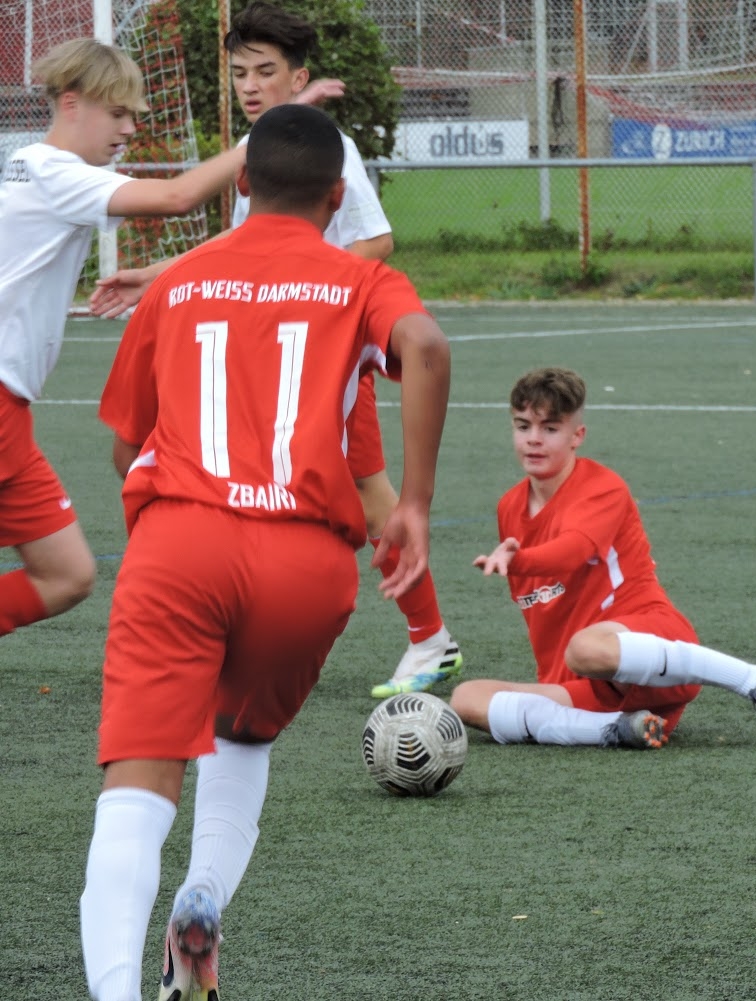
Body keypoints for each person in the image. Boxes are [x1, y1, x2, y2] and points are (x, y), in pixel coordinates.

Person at [81, 103, 451, 1001]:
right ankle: (205, 893)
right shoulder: (359, 279)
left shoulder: (180, 281)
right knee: (240, 735)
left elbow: (127, 444)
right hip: (305, 560)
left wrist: (166, 536)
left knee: (137, 784)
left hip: (181, 540)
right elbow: (427, 347)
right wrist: (413, 504)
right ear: (338, 196)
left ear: (242, 184)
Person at [90, 1, 461, 699]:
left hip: (320, 355)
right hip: (273, 347)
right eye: (240, 73)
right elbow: (242, 250)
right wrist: (159, 274)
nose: (251, 85)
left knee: (367, 497)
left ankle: (428, 636)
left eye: (265, 72)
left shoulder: (324, 147)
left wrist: (312, 297)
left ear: (299, 78)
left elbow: (377, 240)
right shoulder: (260, 149)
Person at [0, 38, 246, 644]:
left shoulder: (36, 167)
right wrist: (257, 143)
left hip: (11, 412)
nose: (130, 129)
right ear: (71, 104)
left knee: (67, 576)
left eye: (133, 116)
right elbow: (176, 197)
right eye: (118, 113)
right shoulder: (54, 172)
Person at [451, 367, 756, 749]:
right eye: (523, 426)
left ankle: (754, 680)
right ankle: (615, 729)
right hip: (584, 684)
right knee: (467, 698)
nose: (534, 439)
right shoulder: (509, 506)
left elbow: (573, 550)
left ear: (577, 436)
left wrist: (520, 560)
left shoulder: (601, 487)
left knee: (585, 648)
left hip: (652, 655)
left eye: (550, 428)